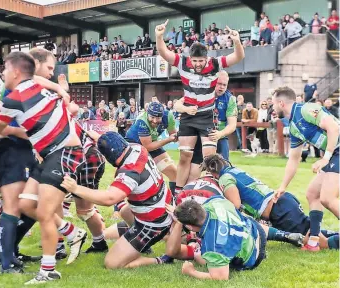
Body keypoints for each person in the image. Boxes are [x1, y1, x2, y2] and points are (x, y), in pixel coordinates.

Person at [0, 52, 87, 283]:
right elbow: (41, 81)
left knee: (43, 213)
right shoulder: (34, 85)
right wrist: (61, 89)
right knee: (25, 203)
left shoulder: (14, 99)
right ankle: (73, 233)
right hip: (51, 155)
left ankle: (48, 271)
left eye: (5, 69)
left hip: (64, 153)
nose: (2, 72)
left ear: (15, 72)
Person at [155, 20, 244, 195]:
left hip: (206, 117)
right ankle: (179, 193)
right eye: (195, 60)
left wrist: (237, 41)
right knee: (185, 157)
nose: (197, 64)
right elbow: (164, 53)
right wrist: (159, 37)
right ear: (190, 58)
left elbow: (238, 57)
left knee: (209, 159)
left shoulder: (215, 64)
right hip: (188, 117)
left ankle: (215, 192)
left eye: (201, 61)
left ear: (207, 58)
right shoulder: (182, 62)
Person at [61, 132, 173, 269]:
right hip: (162, 205)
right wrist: (101, 138)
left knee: (112, 263)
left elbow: (110, 198)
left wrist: (76, 188)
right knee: (110, 228)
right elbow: (114, 142)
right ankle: (141, 244)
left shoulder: (129, 172)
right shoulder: (136, 148)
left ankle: (160, 259)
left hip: (154, 222)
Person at [205, 154, 340, 249]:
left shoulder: (224, 178)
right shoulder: (234, 170)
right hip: (283, 203)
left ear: (212, 172)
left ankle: (333, 243)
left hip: (279, 209)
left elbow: (235, 204)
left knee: (310, 238)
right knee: (310, 230)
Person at [273, 86, 340, 251]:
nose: (272, 108)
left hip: (336, 152)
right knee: (312, 193)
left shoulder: (306, 109)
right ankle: (313, 243)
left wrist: (325, 158)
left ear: (281, 103)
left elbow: (334, 127)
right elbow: (294, 159)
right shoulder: (293, 124)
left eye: (273, 104)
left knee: (327, 198)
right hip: (334, 154)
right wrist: (283, 186)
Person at [174, 196, 267, 280]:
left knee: (200, 256)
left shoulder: (213, 247)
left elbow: (220, 277)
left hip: (254, 255)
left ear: (189, 227)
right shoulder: (215, 201)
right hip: (255, 228)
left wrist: (191, 272)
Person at [125, 102, 177, 195]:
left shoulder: (168, 116)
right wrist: (169, 140)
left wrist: (177, 136)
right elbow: (147, 146)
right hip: (134, 145)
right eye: (152, 117)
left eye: (158, 118)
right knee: (135, 178)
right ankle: (119, 204)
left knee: (174, 173)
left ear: (162, 115)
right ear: (147, 113)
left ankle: (175, 202)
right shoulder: (142, 121)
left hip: (152, 143)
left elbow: (173, 134)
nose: (154, 120)